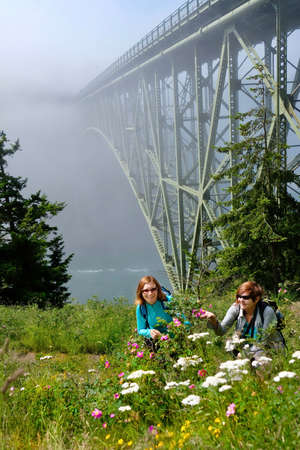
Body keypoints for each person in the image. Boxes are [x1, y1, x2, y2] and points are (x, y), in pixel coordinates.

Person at [200, 281, 285, 359]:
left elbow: (262, 342)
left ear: (256, 299)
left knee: (260, 363)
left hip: (270, 351)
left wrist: (243, 355)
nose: (241, 300)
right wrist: (213, 319)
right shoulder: (236, 308)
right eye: (239, 297)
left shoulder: (267, 311)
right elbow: (221, 332)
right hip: (247, 351)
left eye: (245, 297)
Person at [135, 276, 173, 349]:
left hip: (176, 339)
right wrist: (149, 332)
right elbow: (140, 330)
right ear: (141, 292)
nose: (150, 293)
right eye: (146, 290)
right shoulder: (141, 308)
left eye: (153, 289)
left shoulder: (168, 301)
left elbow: (185, 322)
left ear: (158, 289)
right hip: (157, 342)